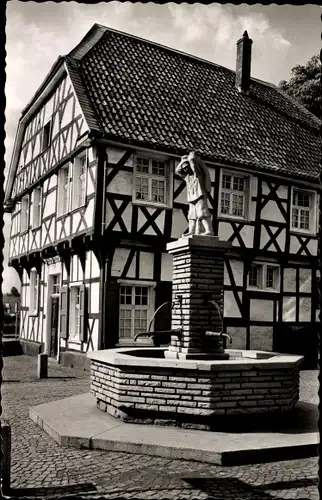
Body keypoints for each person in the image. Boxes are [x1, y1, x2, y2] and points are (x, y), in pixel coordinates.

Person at [176, 151, 214, 236]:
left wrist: (190, 159)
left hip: (200, 196)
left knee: (202, 213)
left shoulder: (197, 174)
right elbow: (178, 171)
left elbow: (193, 164)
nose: (185, 169)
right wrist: (182, 161)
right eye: (184, 168)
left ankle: (209, 230)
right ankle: (191, 231)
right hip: (191, 198)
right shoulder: (187, 177)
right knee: (191, 216)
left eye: (187, 167)